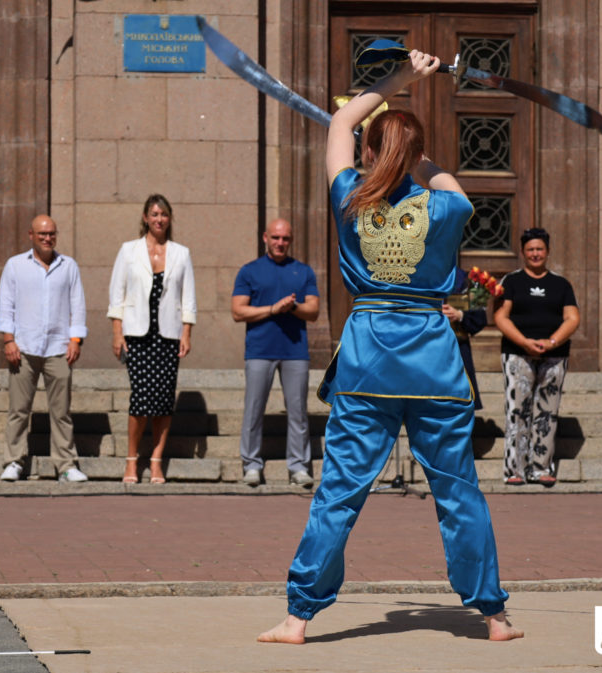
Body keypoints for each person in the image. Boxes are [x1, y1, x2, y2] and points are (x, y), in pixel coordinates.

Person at [258, 49, 522, 645]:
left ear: (372, 152)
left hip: (369, 359)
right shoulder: (450, 205)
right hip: (432, 359)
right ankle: (494, 616)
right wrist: (413, 153)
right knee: (457, 491)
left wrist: (400, 77)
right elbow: (436, 177)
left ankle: (299, 617)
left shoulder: (350, 194)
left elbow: (340, 125)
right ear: (418, 156)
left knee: (340, 491)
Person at [108, 194, 196, 484]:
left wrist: (186, 333)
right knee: (140, 399)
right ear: (145, 217)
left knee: (163, 401)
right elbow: (116, 294)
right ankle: (132, 460)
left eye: (164, 215)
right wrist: (117, 332)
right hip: (137, 334)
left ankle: (156, 461)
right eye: (154, 214)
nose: (159, 220)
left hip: (167, 335)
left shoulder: (181, 253)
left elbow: (188, 296)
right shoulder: (128, 250)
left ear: (169, 219)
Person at [0, 214, 89, 483]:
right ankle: (14, 461)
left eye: (51, 234)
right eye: (42, 234)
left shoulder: (68, 266)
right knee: (18, 410)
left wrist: (75, 339)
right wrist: (8, 339)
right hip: (23, 347)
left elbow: (78, 304)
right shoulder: (15, 266)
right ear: (31, 235)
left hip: (59, 347)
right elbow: (6, 304)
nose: (48, 238)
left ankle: (66, 465)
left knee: (61, 412)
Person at [232, 218, 320, 487]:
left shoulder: (303, 272)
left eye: (285, 239)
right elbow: (238, 311)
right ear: (265, 238)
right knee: (253, 410)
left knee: (298, 412)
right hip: (260, 350)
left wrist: (291, 308)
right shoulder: (249, 271)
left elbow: (313, 311)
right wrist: (272, 309)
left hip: (295, 351)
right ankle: (251, 465)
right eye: (276, 238)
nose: (280, 243)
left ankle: (298, 467)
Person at [493, 228, 579, 487]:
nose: (535, 254)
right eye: (530, 249)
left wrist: (551, 342)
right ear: (523, 252)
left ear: (547, 251)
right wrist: (524, 342)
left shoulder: (561, 284)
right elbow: (500, 316)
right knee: (517, 411)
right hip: (518, 355)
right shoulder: (511, 281)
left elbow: (572, 318)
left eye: (539, 249)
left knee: (547, 413)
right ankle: (515, 469)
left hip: (554, 356)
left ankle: (541, 468)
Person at [442, 268, 489, 412]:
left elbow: (480, 318)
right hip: (427, 350)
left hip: (458, 350)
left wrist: (460, 315)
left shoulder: (465, 279)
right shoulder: (418, 276)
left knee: (460, 405)